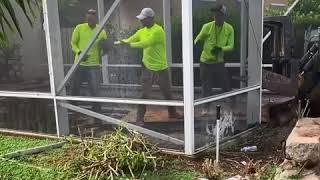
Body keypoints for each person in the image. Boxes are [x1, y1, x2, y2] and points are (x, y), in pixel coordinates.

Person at [116, 8, 182, 126]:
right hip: (148, 67)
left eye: (143, 19)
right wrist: (118, 43)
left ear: (151, 18)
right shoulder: (142, 31)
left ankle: (172, 112)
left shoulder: (158, 31)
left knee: (167, 92)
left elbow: (145, 43)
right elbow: (130, 39)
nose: (141, 21)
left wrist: (129, 45)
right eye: (141, 19)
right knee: (144, 94)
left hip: (161, 68)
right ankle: (139, 118)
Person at [194, 4, 234, 115]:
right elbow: (198, 38)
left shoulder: (229, 28)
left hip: (219, 62)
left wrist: (220, 49)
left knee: (225, 84)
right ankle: (205, 108)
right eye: (215, 15)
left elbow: (231, 46)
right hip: (205, 62)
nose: (216, 17)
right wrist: (196, 44)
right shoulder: (207, 26)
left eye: (218, 15)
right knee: (206, 85)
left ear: (223, 15)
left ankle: (230, 106)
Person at [70, 9, 107, 112]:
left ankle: (96, 112)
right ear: (86, 17)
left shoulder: (101, 31)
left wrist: (106, 49)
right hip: (79, 63)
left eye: (93, 16)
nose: (90, 18)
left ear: (96, 18)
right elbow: (73, 43)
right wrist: (79, 52)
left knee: (95, 90)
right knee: (75, 88)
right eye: (89, 16)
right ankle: (73, 110)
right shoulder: (79, 28)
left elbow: (104, 47)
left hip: (94, 65)